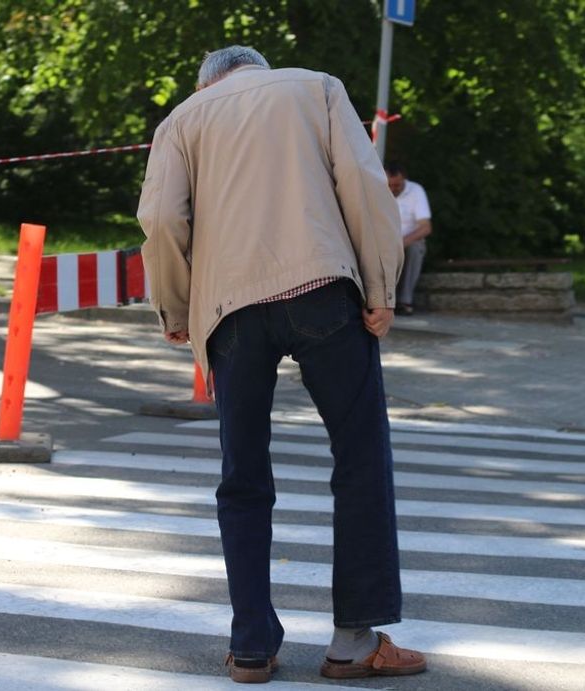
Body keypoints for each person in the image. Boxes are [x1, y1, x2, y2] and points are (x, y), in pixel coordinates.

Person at [137, 45, 427, 684]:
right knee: (359, 457)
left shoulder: (181, 121)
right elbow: (362, 185)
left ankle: (251, 646)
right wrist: (381, 288)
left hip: (231, 311)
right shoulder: (318, 87)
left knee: (242, 475)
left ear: (209, 80)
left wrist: (175, 310)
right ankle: (354, 642)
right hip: (322, 290)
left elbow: (160, 220)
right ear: (259, 70)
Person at [384, 162, 432, 315]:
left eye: (397, 185)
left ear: (404, 179)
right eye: (389, 185)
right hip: (383, 242)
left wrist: (400, 244)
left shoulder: (416, 191)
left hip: (407, 241)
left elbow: (425, 227)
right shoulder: (377, 189)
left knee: (414, 249)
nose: (392, 189)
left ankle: (404, 300)